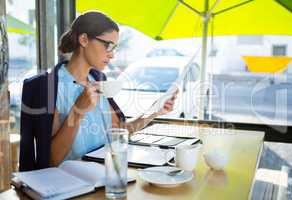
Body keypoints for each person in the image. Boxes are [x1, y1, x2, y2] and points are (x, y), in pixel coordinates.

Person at [19, 11, 177, 171]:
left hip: (106, 177)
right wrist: (78, 111)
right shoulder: (49, 87)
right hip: (72, 185)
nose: (112, 54)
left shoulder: (98, 80)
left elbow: (121, 132)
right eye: (107, 45)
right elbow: (51, 160)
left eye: (114, 47)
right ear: (84, 39)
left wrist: (155, 111)